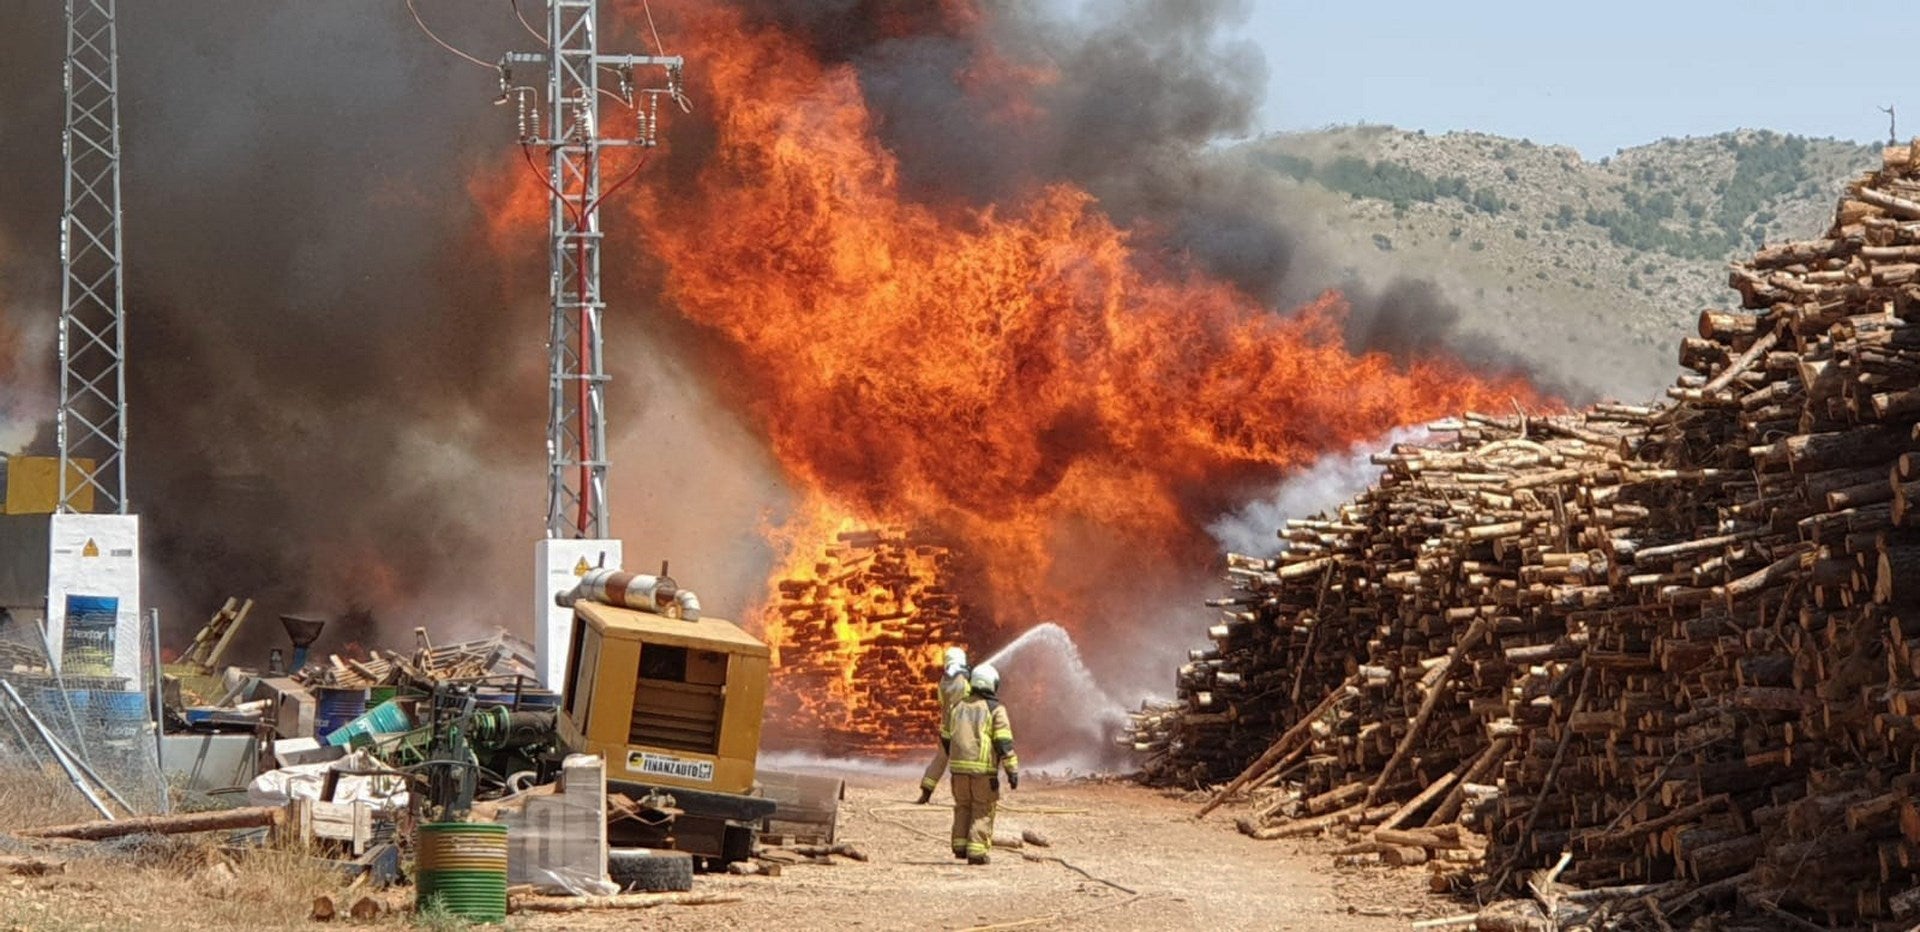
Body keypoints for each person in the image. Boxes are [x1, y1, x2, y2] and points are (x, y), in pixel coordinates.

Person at [941, 662, 1019, 865]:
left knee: (962, 807)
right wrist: (1012, 770)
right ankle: (976, 852)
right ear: (992, 684)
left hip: (958, 770)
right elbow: (1003, 742)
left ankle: (959, 847)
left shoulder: (957, 707)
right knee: (982, 809)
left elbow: (946, 736)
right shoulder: (995, 710)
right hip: (982, 770)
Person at [917, 647, 971, 804]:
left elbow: (942, 701)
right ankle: (965, 798)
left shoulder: (944, 681)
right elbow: (969, 697)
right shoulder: (963, 680)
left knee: (940, 760)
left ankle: (926, 792)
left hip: (946, 730)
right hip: (961, 730)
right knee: (965, 765)